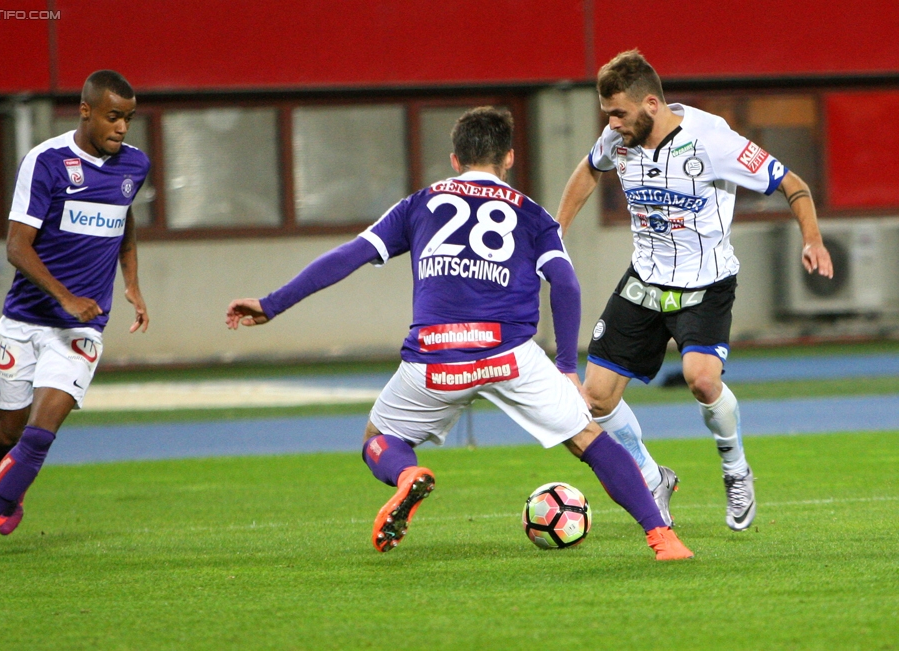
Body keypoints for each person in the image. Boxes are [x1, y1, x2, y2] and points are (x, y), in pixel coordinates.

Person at [227, 106, 692, 560]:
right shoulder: (532, 216)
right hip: (509, 354)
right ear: (509, 157)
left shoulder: (420, 204)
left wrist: (272, 304)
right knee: (588, 439)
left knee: (378, 438)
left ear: (455, 160)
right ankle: (662, 537)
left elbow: (348, 256)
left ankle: (407, 475)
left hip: (432, 358)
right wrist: (567, 366)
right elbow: (565, 283)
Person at [555, 50, 834, 531]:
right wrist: (555, 230)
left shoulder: (713, 140)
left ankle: (736, 470)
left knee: (702, 379)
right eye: (608, 115)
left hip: (706, 282)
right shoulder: (617, 137)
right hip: (645, 279)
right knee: (591, 401)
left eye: (619, 113)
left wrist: (812, 239)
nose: (612, 124)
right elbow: (588, 170)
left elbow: (793, 183)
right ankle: (651, 474)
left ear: (650, 104)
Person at [0, 70, 151, 562]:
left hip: (81, 328)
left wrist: (133, 284)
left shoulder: (134, 166)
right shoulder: (46, 162)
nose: (122, 128)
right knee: (7, 434)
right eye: (113, 116)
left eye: (129, 118)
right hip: (24, 320)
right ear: (85, 110)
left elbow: (124, 218)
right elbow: (16, 246)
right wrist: (62, 295)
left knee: (39, 435)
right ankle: (11, 494)